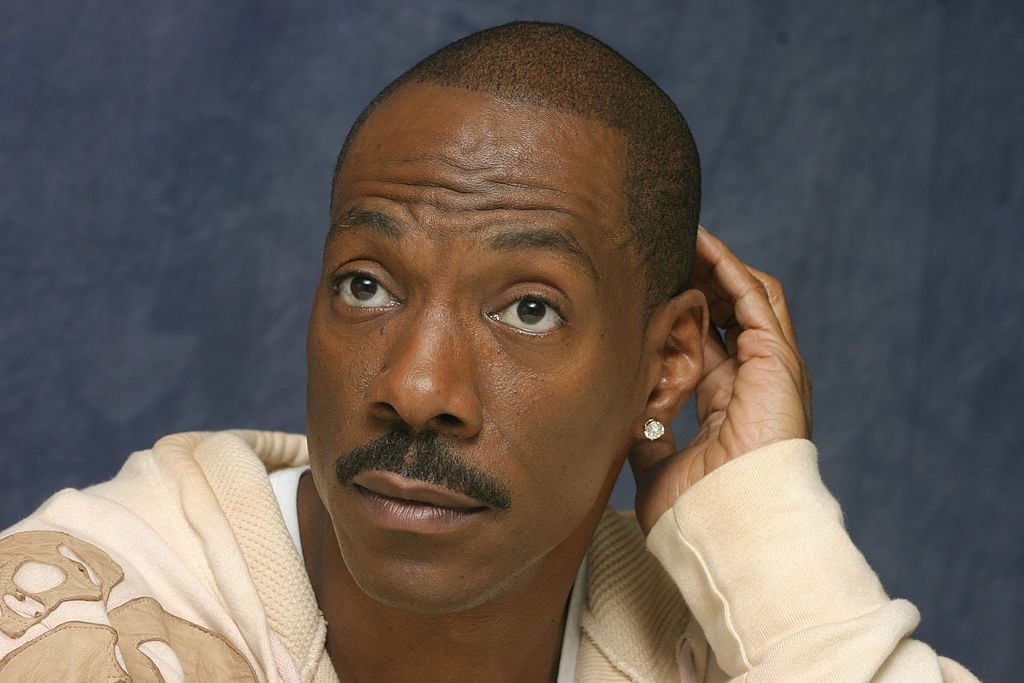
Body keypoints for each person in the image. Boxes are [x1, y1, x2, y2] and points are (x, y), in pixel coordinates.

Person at [0, 21, 976, 682]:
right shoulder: (75, 632)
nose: (417, 386)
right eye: (366, 285)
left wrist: (760, 523)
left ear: (666, 364)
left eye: (528, 309)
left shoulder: (735, 637)